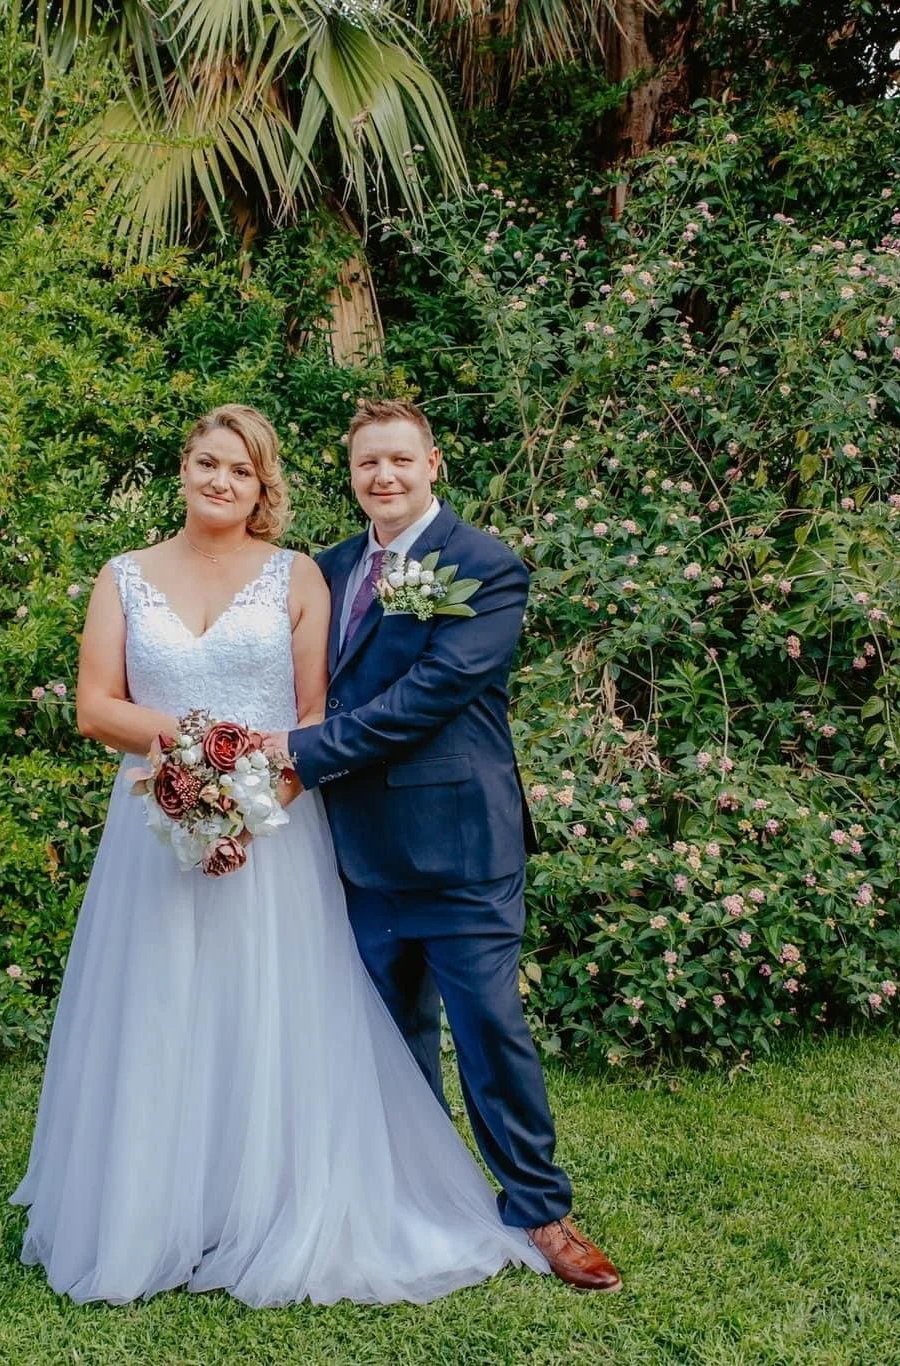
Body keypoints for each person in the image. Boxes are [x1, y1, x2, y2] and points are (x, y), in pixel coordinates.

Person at [10, 404, 544, 1306]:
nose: (221, 481)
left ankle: (536, 1206)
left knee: (415, 1022)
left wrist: (250, 782)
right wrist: (202, 757)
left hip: (322, 827)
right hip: (168, 822)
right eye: (207, 463)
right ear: (183, 468)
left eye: (242, 471)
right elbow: (99, 708)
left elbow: (353, 707)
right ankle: (171, 1206)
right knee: (168, 1009)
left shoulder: (418, 569)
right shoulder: (162, 575)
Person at [268, 398, 622, 1292]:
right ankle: (408, 1201)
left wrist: (300, 756)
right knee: (387, 1038)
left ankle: (540, 1210)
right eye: (364, 465)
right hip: (355, 852)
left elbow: (435, 691)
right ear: (349, 477)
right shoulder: (327, 568)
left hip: (463, 850)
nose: (382, 477)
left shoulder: (485, 565)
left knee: (491, 1029)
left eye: (398, 460)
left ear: (434, 464)